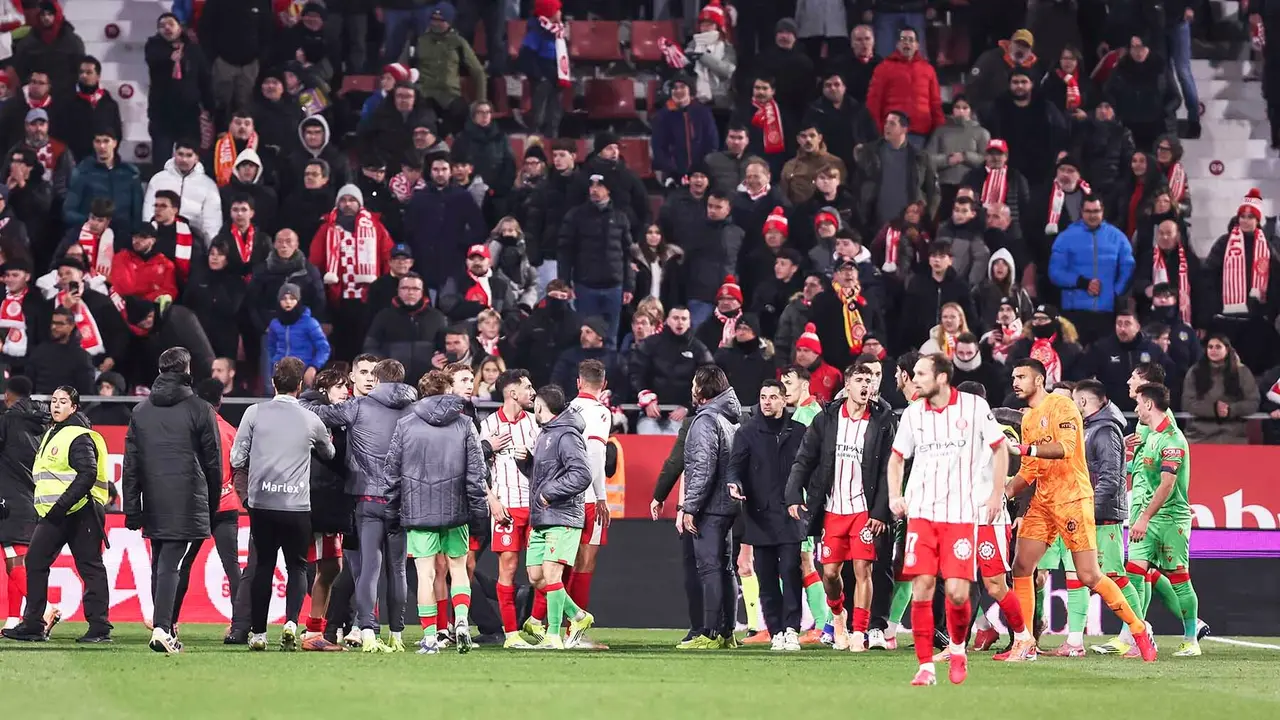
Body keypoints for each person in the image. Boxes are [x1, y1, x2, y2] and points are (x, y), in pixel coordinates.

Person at [998, 359, 1155, 663]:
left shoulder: (1063, 406)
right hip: (1043, 502)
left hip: (1072, 498)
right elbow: (1028, 473)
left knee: (1089, 575)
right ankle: (1025, 642)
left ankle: (1138, 629)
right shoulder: (1028, 419)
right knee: (1021, 568)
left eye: (1022, 376)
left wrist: (1024, 449)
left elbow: (1067, 448)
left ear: (1040, 380)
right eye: (1013, 377)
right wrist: (1000, 493)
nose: (1015, 382)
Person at [886, 353, 1008, 685]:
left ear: (941, 377)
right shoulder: (913, 414)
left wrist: (997, 494)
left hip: (959, 516)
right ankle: (925, 666)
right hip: (922, 515)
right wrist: (895, 495)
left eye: (921, 374)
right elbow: (897, 458)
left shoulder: (973, 407)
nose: (915, 379)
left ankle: (957, 649)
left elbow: (1000, 449)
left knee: (956, 592)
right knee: (922, 586)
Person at [302, 358, 417, 653]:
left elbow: (315, 414)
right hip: (401, 501)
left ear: (377, 379)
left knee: (369, 569)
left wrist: (304, 397)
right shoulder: (414, 411)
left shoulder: (359, 407)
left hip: (367, 499)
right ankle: (397, 635)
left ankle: (367, 631)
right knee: (398, 571)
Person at [786, 363, 894, 651]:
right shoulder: (827, 419)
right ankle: (838, 616)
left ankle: (860, 631)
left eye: (869, 381)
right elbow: (805, 457)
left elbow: (888, 469)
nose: (865, 386)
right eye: (859, 379)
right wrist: (794, 494)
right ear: (847, 385)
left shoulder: (882, 421)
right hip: (833, 509)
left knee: (863, 571)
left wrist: (881, 512)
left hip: (863, 511)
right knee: (830, 574)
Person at [121, 347, 222, 654]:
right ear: (187, 369)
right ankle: (163, 629)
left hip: (153, 497)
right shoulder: (200, 409)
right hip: (187, 497)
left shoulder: (141, 411)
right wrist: (212, 503)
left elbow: (131, 464)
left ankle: (162, 625)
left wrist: (131, 508)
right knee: (170, 565)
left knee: (160, 562)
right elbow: (213, 463)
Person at [231, 357, 335, 651]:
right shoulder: (310, 419)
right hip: (297, 505)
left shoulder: (254, 413)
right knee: (297, 567)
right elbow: (328, 453)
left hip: (262, 503)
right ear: (301, 386)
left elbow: (237, 458)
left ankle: (259, 634)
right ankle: (291, 623)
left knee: (263, 566)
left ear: (273, 382)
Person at [384, 369, 487, 655]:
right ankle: (462, 622)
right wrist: (479, 515)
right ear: (448, 390)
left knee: (426, 575)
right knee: (458, 569)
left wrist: (392, 514)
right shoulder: (465, 424)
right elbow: (477, 475)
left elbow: (391, 475)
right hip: (456, 510)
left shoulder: (405, 425)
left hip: (419, 513)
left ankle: (431, 638)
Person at [2, 386, 112, 644]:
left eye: (63, 401)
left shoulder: (77, 435)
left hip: (80, 510)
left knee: (90, 567)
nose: (56, 405)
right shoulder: (52, 432)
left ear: (74, 407)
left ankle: (99, 628)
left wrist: (61, 506)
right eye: (53, 401)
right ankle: (32, 625)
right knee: (35, 562)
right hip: (55, 512)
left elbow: (87, 474)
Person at [725, 380, 805, 650]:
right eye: (763, 397)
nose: (767, 401)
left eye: (773, 397)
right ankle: (776, 630)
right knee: (767, 575)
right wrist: (734, 484)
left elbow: (811, 470)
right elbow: (735, 467)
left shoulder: (799, 432)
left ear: (784, 400)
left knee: (791, 570)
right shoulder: (747, 433)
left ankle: (792, 628)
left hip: (791, 514)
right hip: (759, 514)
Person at [1125, 382, 1203, 657]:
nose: (1135, 408)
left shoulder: (1172, 439)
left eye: (1138, 403)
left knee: (1179, 578)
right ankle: (1140, 635)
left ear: (1149, 404)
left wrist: (1144, 517)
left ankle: (1191, 639)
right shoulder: (1152, 436)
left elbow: (1167, 485)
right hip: (1147, 517)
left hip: (1170, 519)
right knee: (1132, 573)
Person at [517, 384, 596, 650]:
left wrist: (550, 492)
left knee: (551, 573)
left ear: (541, 406)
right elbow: (545, 477)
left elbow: (582, 474)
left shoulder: (567, 435)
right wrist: (526, 464)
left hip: (562, 515)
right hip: (543, 515)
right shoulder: (546, 435)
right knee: (536, 576)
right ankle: (578, 616)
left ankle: (552, 635)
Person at [175, 378, 248, 644]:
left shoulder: (188, 430)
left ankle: (169, 623)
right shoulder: (230, 431)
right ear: (220, 401)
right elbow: (240, 466)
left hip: (195, 506)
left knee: (182, 565)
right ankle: (240, 626)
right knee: (232, 567)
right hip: (226, 505)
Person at [676, 366, 741, 649]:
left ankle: (710, 633)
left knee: (710, 569)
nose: (691, 388)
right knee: (726, 569)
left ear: (701, 390)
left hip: (710, 507)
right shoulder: (731, 418)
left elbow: (702, 469)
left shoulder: (706, 421)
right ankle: (727, 633)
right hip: (728, 506)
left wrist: (689, 507)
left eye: (694, 384)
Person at [477, 369, 539, 648]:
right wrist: (492, 500)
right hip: (506, 508)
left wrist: (533, 458)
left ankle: (538, 624)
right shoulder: (489, 425)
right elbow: (476, 471)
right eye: (527, 387)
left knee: (542, 572)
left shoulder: (536, 423)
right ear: (513, 393)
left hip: (536, 508)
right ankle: (511, 635)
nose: (532, 392)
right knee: (508, 568)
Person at [1068, 379, 1129, 654]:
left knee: (1116, 576)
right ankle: (1133, 632)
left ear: (1082, 402)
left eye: (1074, 400)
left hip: (1104, 516)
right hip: (1098, 514)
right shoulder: (1094, 428)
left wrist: (1088, 512)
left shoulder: (1104, 431)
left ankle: (1137, 632)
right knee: (1106, 576)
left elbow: (1110, 479)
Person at [308, 184, 394, 362]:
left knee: (365, 342)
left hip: (367, 296)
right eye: (343, 200)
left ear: (360, 204)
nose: (347, 204)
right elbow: (315, 261)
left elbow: (388, 257)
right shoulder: (326, 228)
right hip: (337, 297)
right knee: (341, 345)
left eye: (352, 200)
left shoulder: (375, 227)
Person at [1205, 188, 1280, 373]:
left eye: (1250, 217)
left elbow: (1276, 281)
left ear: (1257, 220)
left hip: (1255, 321)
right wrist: (1214, 308)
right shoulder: (1223, 243)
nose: (1245, 220)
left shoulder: (1267, 247)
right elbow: (1208, 277)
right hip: (1226, 320)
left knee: (1253, 369)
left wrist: (1268, 313)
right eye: (1243, 216)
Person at [1048, 196, 1135, 345]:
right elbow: (1055, 271)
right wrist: (1080, 282)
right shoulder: (1066, 237)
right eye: (1088, 211)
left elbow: (1128, 266)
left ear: (1103, 211)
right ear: (1081, 212)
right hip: (1074, 311)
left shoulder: (1117, 237)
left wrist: (1116, 292)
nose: (1092, 215)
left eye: (1096, 211)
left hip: (1106, 311)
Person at [0, 376, 48, 631]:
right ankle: (13, 618)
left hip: (10, 499)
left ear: (8, 395)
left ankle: (46, 609)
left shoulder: (7, 421)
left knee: (11, 557)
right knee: (18, 559)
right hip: (36, 498)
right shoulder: (45, 422)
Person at [630, 307, 715, 435]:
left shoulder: (699, 349)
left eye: (683, 319)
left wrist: (689, 407)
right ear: (667, 321)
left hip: (682, 416)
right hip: (650, 413)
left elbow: (709, 381)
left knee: (674, 443)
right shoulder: (651, 344)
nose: (679, 322)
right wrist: (646, 398)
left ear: (689, 322)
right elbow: (635, 372)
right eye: (675, 318)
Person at [853, 111, 939, 233]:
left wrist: (925, 215)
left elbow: (934, 191)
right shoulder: (870, 152)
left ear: (904, 129)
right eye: (886, 123)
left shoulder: (920, 157)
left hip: (908, 226)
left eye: (892, 124)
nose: (886, 126)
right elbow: (858, 184)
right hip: (875, 224)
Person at [1076, 306, 1174, 412]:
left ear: (1137, 326)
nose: (1122, 329)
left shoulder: (1152, 349)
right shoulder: (1102, 348)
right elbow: (1081, 373)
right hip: (1111, 413)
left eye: (1127, 324)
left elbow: (1170, 375)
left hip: (1146, 411)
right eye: (1119, 324)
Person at [363, 272, 448, 384]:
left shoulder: (437, 317)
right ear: (398, 291)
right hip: (391, 382)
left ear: (422, 292)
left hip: (428, 382)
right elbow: (370, 347)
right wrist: (386, 366)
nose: (410, 292)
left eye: (415, 288)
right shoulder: (384, 316)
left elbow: (446, 348)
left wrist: (437, 363)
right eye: (405, 288)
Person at [865, 27, 943, 145]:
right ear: (897, 44)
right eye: (903, 39)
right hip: (892, 134)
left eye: (911, 40)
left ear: (917, 45)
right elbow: (874, 102)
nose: (906, 42)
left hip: (920, 134)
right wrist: (878, 131)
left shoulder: (928, 69)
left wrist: (939, 132)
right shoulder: (883, 68)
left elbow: (935, 103)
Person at [1181, 335, 1260, 445]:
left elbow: (1253, 402)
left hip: (1233, 437)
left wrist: (1231, 410)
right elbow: (1187, 403)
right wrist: (1214, 410)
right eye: (1210, 347)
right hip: (1199, 437)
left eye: (1218, 347)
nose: (1213, 350)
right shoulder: (1195, 372)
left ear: (1227, 349)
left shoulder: (1242, 372)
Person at [267, 283, 330, 384]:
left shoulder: (309, 323)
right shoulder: (275, 323)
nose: (288, 302)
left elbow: (324, 348)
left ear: (298, 300)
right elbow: (271, 347)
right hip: (281, 373)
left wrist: (313, 367)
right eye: (284, 298)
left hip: (303, 372)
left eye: (292, 298)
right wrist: (275, 363)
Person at [26, 307, 94, 395]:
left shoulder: (81, 356)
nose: (54, 327)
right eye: (53, 323)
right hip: (40, 405)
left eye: (59, 324)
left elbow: (86, 391)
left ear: (71, 326)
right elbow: (29, 383)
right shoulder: (39, 351)